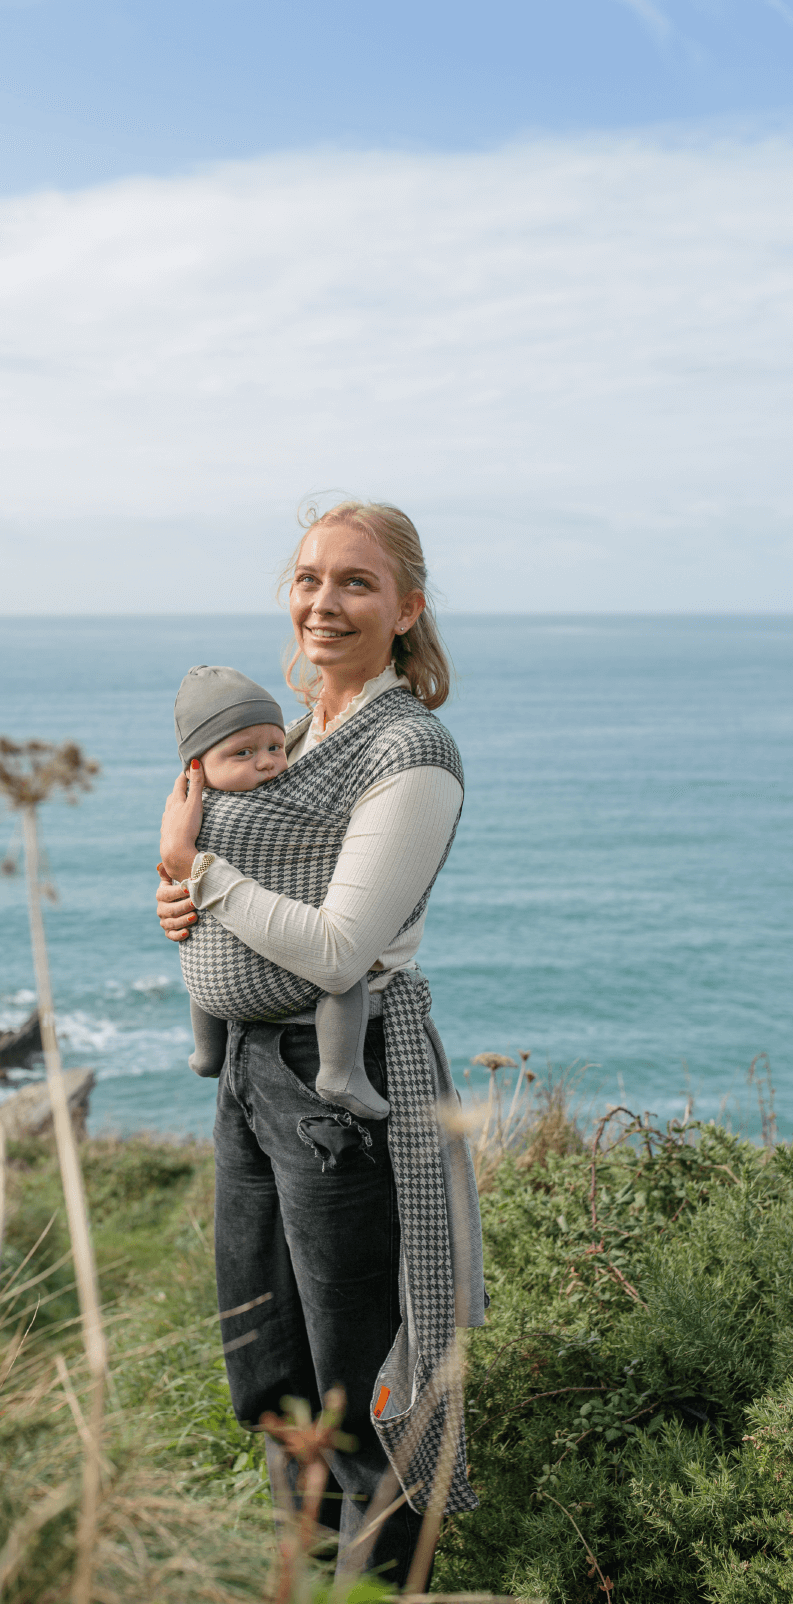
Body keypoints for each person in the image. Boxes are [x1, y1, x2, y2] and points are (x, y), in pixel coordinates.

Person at [156, 500, 485, 1591]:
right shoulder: (288, 740)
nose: (323, 602)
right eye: (307, 577)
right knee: (267, 1357)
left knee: (353, 1376)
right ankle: (303, 1575)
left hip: (340, 1084)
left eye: (354, 581)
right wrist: (186, 909)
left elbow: (342, 949)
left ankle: (385, 1581)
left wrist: (202, 876)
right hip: (255, 1076)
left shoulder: (408, 750)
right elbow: (267, 889)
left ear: (406, 607)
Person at [171, 662, 389, 1120]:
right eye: (243, 753)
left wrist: (178, 868)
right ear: (197, 768)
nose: (268, 761)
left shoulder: (184, 816)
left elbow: (179, 866)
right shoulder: (259, 809)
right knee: (349, 973)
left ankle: (206, 1053)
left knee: (200, 954)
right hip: (287, 979)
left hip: (216, 992)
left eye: (274, 745)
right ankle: (339, 1071)